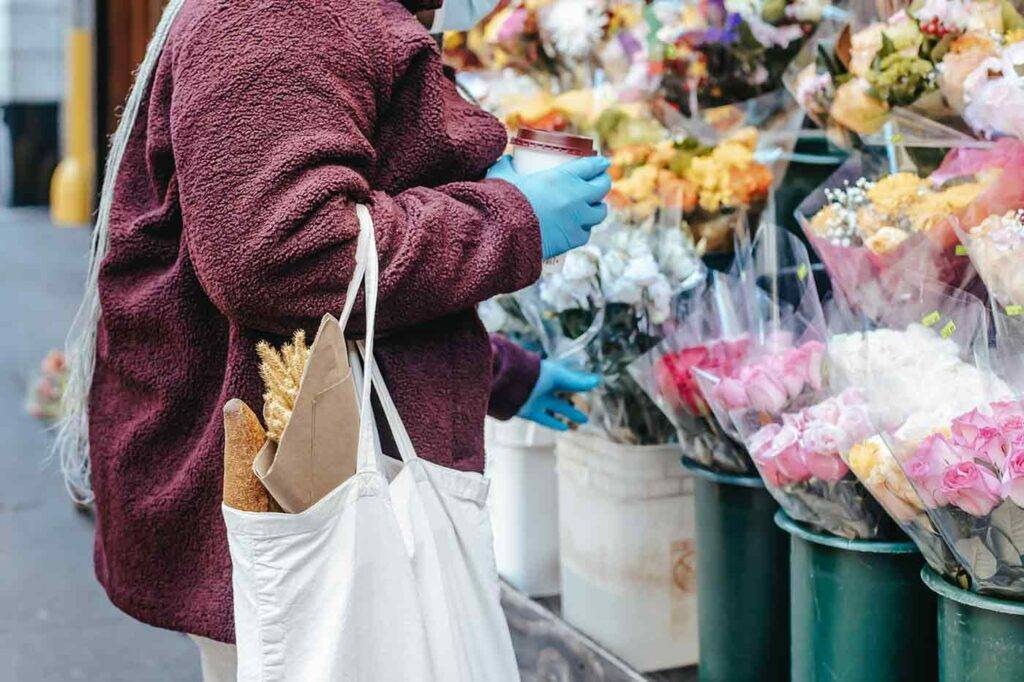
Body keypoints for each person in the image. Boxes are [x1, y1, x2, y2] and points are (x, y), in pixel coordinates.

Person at [54, 0, 611, 678]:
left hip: (312, 468)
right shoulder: (279, 14)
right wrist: (509, 219)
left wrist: (501, 373)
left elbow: (342, 280)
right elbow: (281, 256)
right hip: (295, 494)